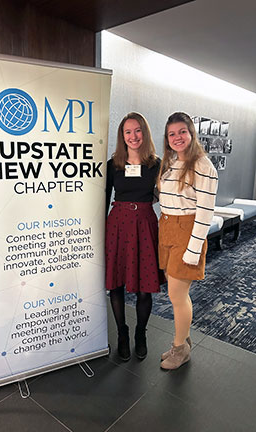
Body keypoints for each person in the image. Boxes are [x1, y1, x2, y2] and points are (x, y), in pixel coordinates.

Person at [157, 112, 218, 370]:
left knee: (176, 295)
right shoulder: (169, 164)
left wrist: (193, 249)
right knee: (177, 294)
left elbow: (205, 213)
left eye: (182, 131)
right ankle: (184, 337)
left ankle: (180, 349)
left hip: (187, 232)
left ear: (191, 133)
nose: (177, 137)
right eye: (172, 134)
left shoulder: (203, 166)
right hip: (167, 229)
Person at [105, 112, 165, 361]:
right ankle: (122, 333)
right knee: (116, 284)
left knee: (144, 288)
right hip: (117, 225)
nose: (133, 136)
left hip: (144, 226)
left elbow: (165, 194)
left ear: (145, 133)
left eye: (137, 130)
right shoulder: (113, 164)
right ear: (122, 136)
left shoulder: (156, 164)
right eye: (128, 132)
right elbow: (104, 197)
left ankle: (140, 333)